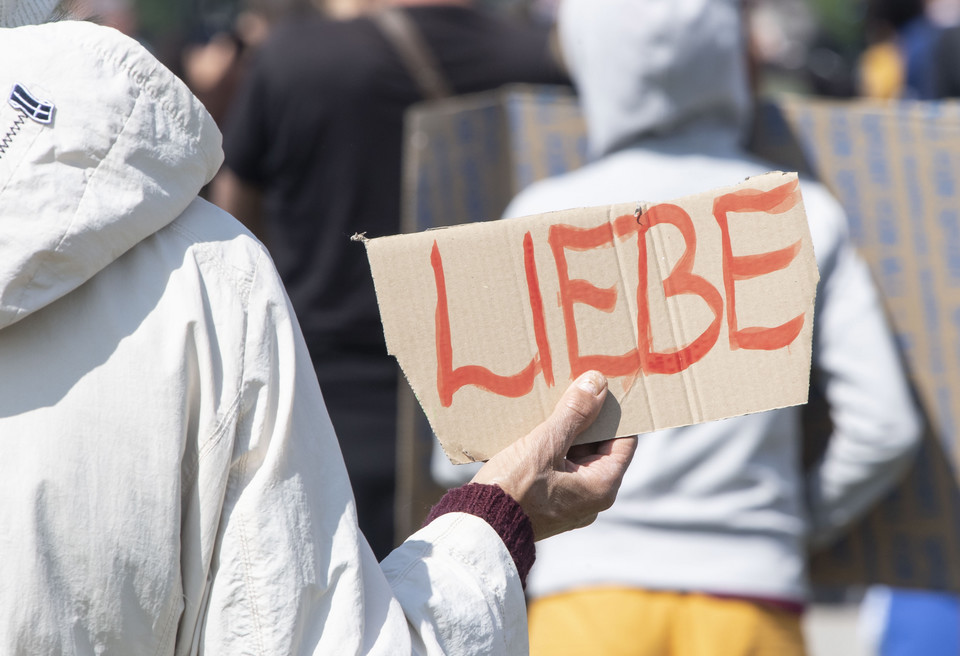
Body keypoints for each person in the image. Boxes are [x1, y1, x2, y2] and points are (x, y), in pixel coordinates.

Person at [0, 3, 635, 653]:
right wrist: (501, 514)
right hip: (481, 411)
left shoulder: (292, 65)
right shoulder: (535, 56)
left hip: (323, 407)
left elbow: (239, 198)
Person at [497, 1, 923, 654]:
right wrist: (788, 524)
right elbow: (886, 425)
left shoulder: (539, 217)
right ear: (729, 54)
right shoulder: (802, 213)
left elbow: (467, 448)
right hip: (752, 598)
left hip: (582, 597)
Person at [213, 0, 570, 559]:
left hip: (323, 420)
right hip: (497, 423)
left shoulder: (292, 60)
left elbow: (228, 235)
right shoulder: (539, 58)